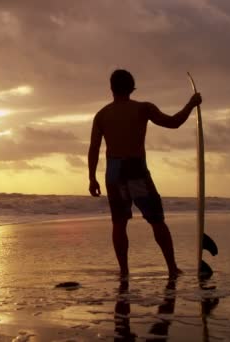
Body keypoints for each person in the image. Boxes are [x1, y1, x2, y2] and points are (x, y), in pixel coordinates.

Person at [88, 69, 202, 278]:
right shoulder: (143, 108)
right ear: (132, 87)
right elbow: (174, 122)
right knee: (156, 219)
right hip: (136, 169)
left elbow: (94, 148)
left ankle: (124, 272)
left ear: (111, 88)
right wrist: (191, 104)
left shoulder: (102, 115)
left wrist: (92, 178)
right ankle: (172, 268)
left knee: (119, 223)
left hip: (113, 173)